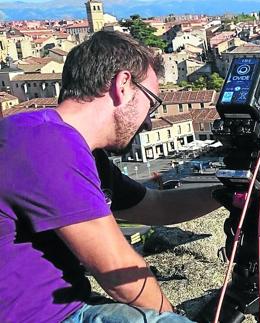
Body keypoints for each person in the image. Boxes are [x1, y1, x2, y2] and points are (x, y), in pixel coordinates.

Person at [0, 31, 221, 322]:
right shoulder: (47, 144)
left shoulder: (79, 150)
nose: (149, 120)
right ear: (123, 85)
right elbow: (118, 272)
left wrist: (225, 194)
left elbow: (155, 205)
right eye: (151, 102)